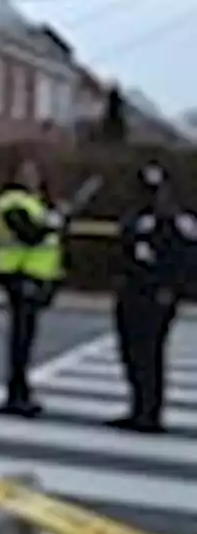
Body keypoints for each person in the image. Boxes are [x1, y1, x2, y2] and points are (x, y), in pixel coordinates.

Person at [108, 163, 196, 433]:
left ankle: (150, 411)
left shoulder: (176, 221)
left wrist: (172, 289)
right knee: (132, 352)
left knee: (150, 354)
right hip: (132, 292)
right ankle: (139, 406)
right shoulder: (135, 217)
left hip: (156, 295)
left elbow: (185, 259)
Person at [0, 160, 65, 417]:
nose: (32, 178)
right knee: (20, 339)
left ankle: (21, 390)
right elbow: (28, 234)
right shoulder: (11, 203)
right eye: (26, 174)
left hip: (36, 277)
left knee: (26, 338)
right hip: (20, 276)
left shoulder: (38, 203)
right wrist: (52, 223)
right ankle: (16, 393)